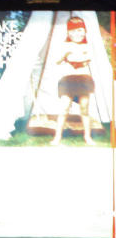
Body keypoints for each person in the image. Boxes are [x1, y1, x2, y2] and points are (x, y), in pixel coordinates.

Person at [51, 16, 95, 145]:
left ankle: (88, 137)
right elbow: (57, 60)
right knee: (64, 108)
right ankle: (57, 137)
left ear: (85, 31)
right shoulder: (64, 45)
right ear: (69, 33)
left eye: (80, 30)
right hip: (68, 80)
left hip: (84, 79)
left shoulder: (88, 45)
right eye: (74, 31)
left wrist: (73, 56)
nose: (77, 34)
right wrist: (65, 55)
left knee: (84, 109)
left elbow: (87, 58)